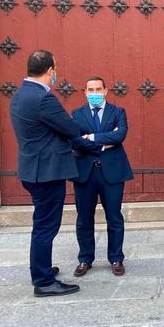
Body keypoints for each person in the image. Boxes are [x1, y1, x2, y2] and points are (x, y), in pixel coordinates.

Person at [9, 50, 81, 297]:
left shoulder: (19, 95)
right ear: (50, 70)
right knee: (45, 227)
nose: (56, 75)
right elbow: (70, 128)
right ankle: (43, 281)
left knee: (41, 223)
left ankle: (41, 268)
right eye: (55, 70)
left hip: (32, 169)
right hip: (47, 172)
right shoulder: (43, 98)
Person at [70, 77, 133, 277]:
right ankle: (85, 259)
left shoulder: (118, 112)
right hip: (85, 173)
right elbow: (75, 141)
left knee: (114, 217)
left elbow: (120, 135)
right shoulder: (77, 114)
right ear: (85, 92)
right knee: (84, 218)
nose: (94, 93)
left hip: (112, 173)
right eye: (91, 89)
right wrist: (104, 142)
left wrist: (92, 137)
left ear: (105, 91)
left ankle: (116, 258)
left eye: (98, 89)